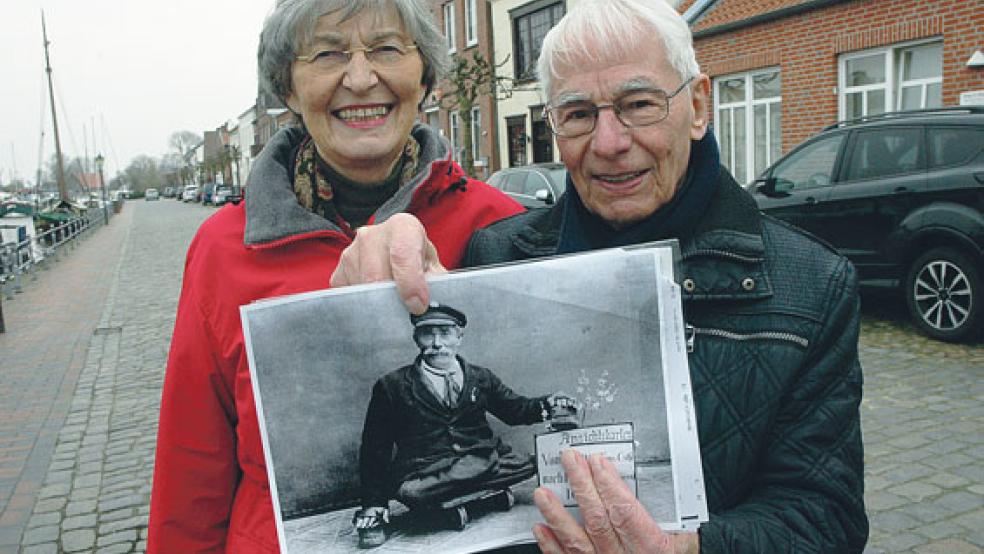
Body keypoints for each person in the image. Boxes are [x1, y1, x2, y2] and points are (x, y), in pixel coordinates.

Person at [329, 0, 869, 552]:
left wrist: (686, 550)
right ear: (554, 126)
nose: (609, 143)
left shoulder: (810, 285)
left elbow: (826, 520)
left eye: (639, 104)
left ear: (699, 106)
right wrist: (388, 264)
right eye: (579, 113)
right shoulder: (498, 251)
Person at [146, 0, 524, 551]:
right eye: (328, 54)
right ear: (289, 89)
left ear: (424, 77)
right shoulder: (222, 250)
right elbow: (192, 464)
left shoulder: (499, 223)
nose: (361, 78)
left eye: (387, 49)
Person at [354, 302, 578, 547]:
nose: (437, 343)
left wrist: (550, 404)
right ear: (416, 338)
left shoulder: (481, 377)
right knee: (410, 492)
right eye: (428, 334)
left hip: (481, 458)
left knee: (527, 465)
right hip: (428, 472)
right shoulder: (392, 385)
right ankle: (488, 499)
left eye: (445, 333)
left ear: (459, 337)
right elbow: (376, 447)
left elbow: (515, 410)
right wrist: (374, 503)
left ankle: (453, 507)